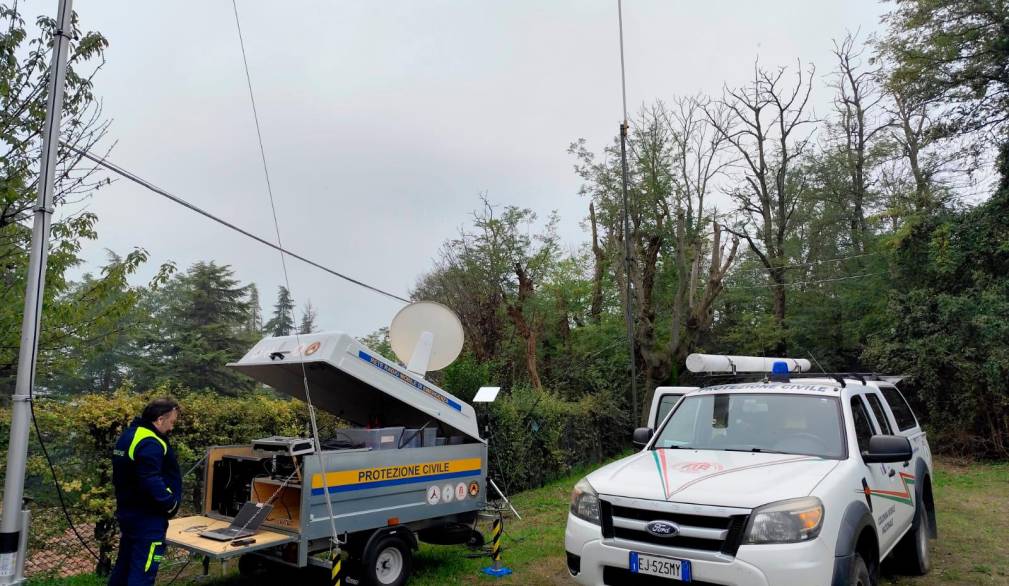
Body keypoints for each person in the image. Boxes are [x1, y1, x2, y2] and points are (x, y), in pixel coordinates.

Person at [108, 398, 182, 585]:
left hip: (129, 513)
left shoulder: (130, 435)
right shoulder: (151, 442)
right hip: (148, 518)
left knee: (124, 567)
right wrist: (170, 503)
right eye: (171, 422)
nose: (171, 428)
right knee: (144, 572)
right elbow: (150, 479)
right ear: (159, 419)